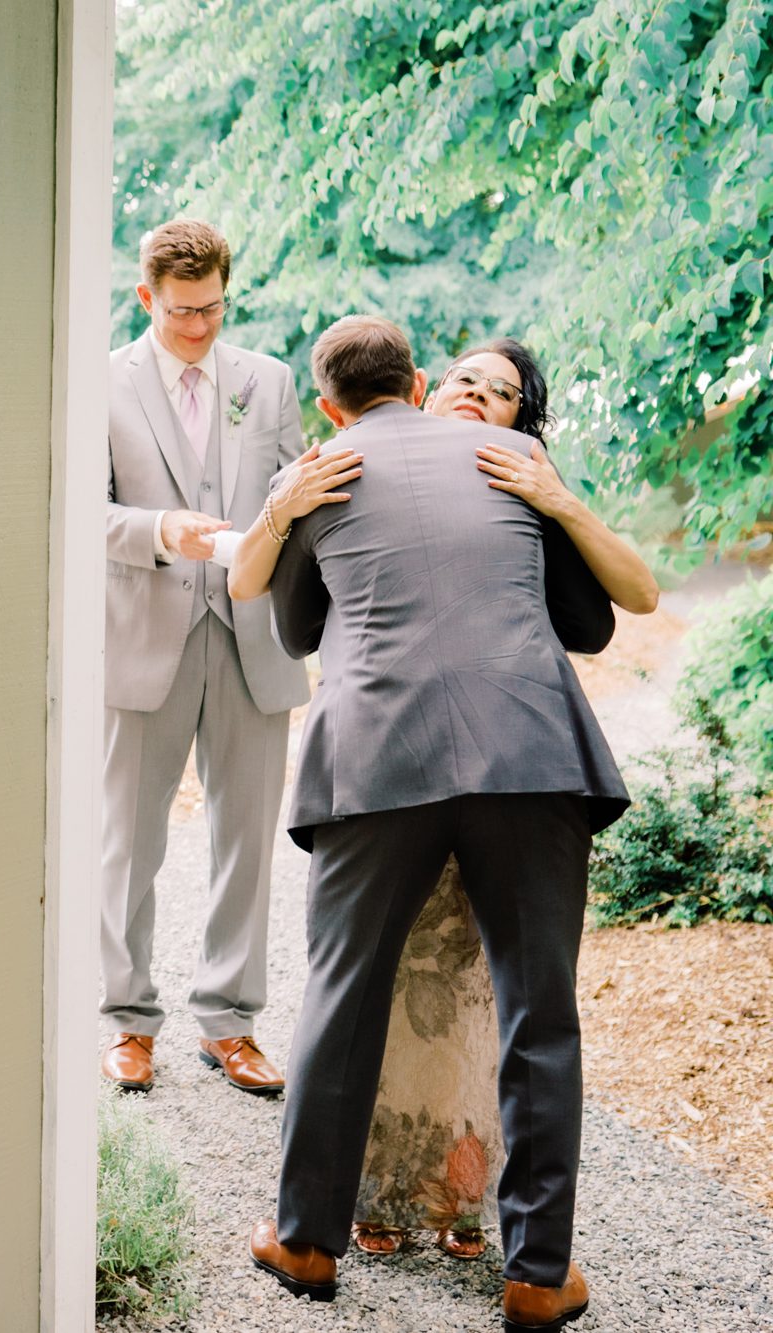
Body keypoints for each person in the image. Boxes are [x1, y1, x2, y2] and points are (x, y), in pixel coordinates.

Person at [226, 338, 659, 1265]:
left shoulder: (336, 467)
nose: (476, 396)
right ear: (425, 385)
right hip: (529, 757)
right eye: (466, 380)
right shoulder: (512, 470)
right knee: (541, 1012)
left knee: (341, 996)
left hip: (378, 761)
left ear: (329, 400)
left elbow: (294, 623)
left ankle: (306, 1241)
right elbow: (593, 626)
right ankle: (539, 1272)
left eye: (499, 390)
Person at [97, 219, 311, 1098]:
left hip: (252, 637)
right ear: (147, 297)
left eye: (214, 308)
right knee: (128, 842)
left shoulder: (269, 381)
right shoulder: (100, 383)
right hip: (146, 636)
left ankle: (230, 1020)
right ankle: (126, 1019)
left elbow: (301, 496)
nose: (200, 327)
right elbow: (77, 511)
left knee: (247, 842)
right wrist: (159, 530)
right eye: (184, 312)